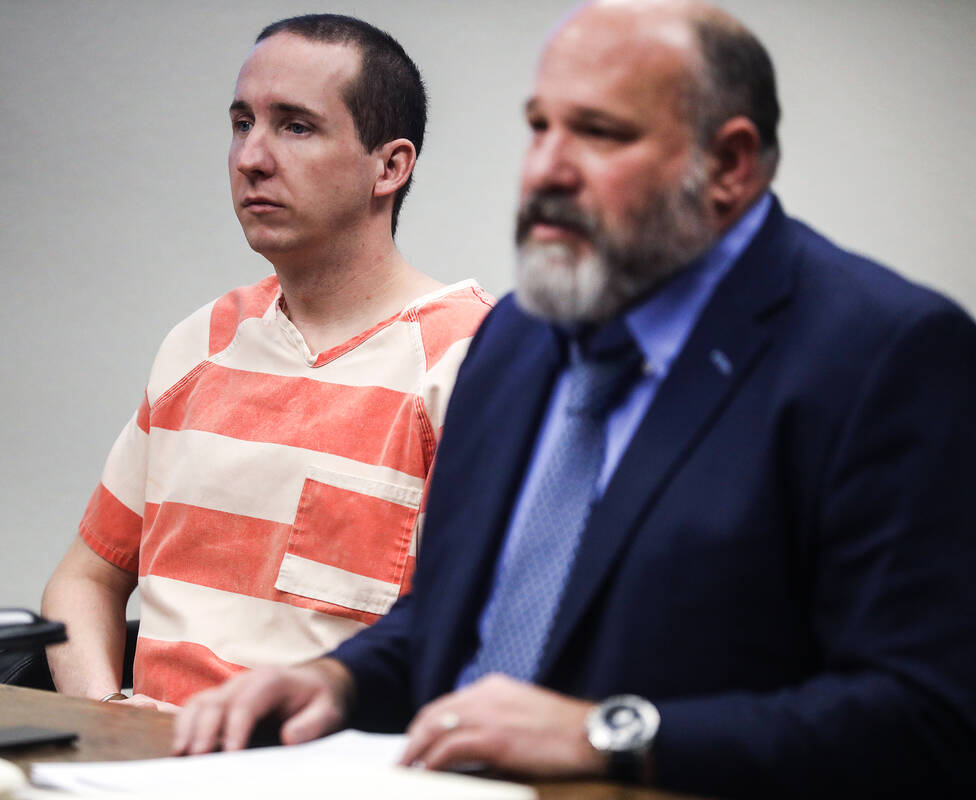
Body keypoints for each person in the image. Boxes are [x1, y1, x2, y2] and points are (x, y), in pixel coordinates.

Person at [170, 1, 976, 796]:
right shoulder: (518, 335)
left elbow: (927, 717)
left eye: (599, 133)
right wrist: (336, 683)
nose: (546, 168)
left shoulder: (886, 354)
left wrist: (612, 734)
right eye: (539, 125)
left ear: (728, 165)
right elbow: (454, 619)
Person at [41, 14, 492, 712]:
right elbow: (84, 581)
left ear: (390, 166)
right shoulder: (202, 341)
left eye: (295, 126)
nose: (251, 155)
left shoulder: (470, 361)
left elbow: (478, 641)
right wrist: (103, 715)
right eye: (241, 122)